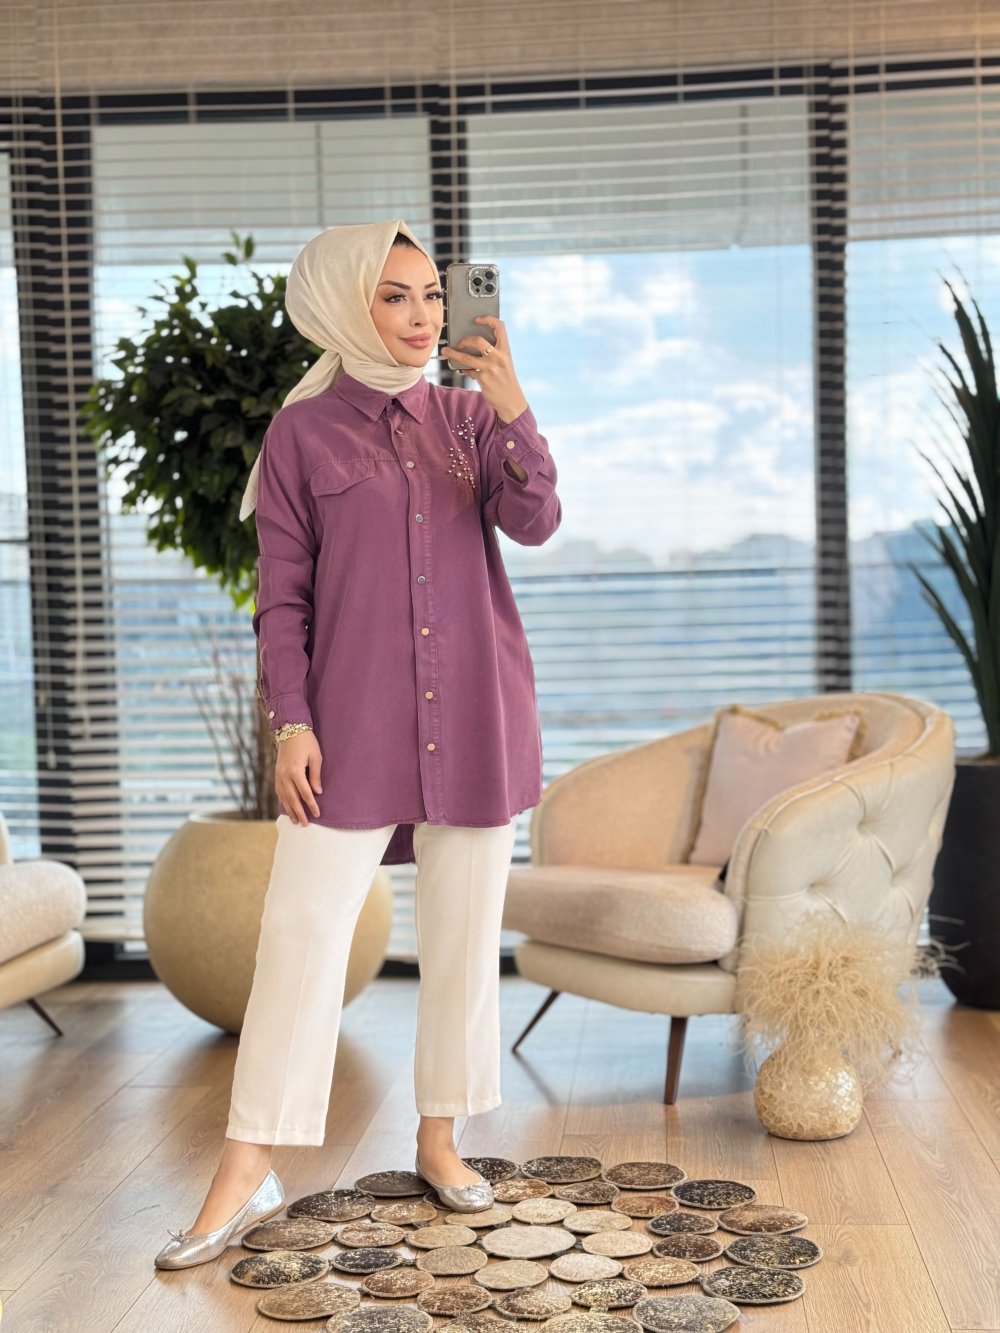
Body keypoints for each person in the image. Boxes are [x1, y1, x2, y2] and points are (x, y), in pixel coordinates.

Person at [153, 220, 561, 1269]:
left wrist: (511, 403)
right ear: (344, 304)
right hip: (351, 723)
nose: (423, 316)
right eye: (394, 296)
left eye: (433, 295)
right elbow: (281, 597)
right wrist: (291, 722)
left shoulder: (470, 419)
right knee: (299, 930)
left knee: (464, 933)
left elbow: (537, 520)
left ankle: (440, 1138)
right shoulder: (302, 435)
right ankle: (246, 1168)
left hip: (475, 714)